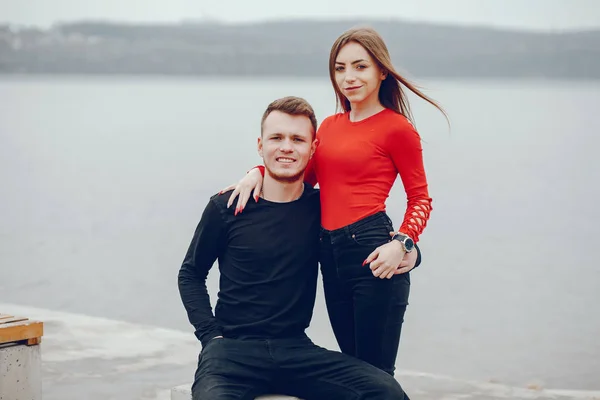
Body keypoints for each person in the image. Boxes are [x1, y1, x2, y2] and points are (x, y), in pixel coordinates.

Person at [223, 26, 448, 377]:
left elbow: (420, 198)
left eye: (360, 67)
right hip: (328, 255)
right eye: (340, 68)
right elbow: (301, 176)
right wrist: (256, 171)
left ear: (381, 71)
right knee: (354, 371)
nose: (349, 77)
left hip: (373, 252)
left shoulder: (397, 129)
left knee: (376, 376)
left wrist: (404, 243)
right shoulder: (328, 126)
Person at [178, 96, 410, 400]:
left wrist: (410, 249)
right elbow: (191, 274)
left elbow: (368, 241)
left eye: (297, 139)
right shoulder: (228, 206)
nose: (286, 147)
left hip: (296, 351)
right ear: (260, 145)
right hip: (231, 353)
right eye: (277, 138)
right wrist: (210, 336)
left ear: (312, 149)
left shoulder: (323, 208)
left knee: (385, 391)